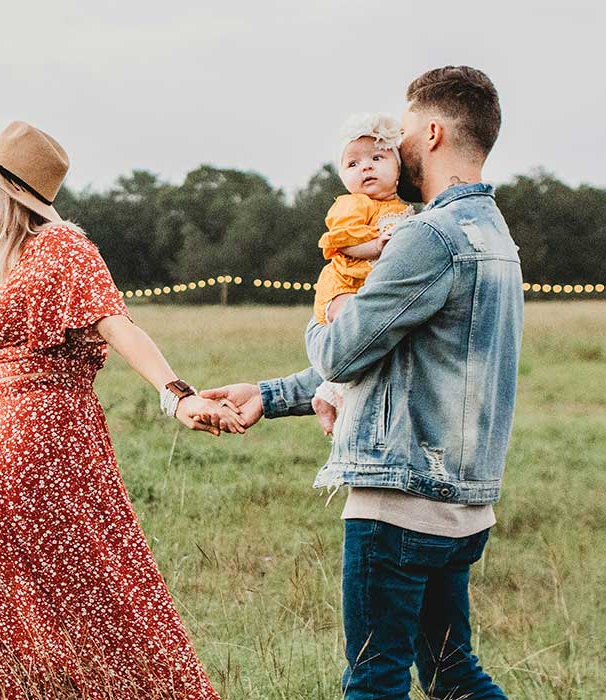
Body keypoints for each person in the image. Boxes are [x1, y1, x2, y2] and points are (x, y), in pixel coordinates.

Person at [202, 66, 518, 700]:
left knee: (373, 681)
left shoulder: (428, 236)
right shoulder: (492, 234)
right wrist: (270, 394)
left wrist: (327, 309)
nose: (395, 146)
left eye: (401, 131)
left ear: (430, 132)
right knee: (454, 675)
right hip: (462, 498)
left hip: (400, 495)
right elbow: (399, 354)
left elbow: (345, 353)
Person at [0, 121, 236, 699]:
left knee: (95, 597)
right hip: (5, 452)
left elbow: (118, 324)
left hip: (48, 450)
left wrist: (176, 393)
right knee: (26, 600)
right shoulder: (19, 264)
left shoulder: (62, 248)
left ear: (6, 194)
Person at [310, 112, 415, 431]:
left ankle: (329, 394)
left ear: (398, 167)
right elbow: (342, 242)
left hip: (368, 289)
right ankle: (330, 395)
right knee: (354, 332)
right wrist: (376, 246)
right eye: (352, 164)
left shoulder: (403, 209)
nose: (365, 167)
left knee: (372, 342)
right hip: (343, 286)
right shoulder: (353, 204)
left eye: (377, 157)